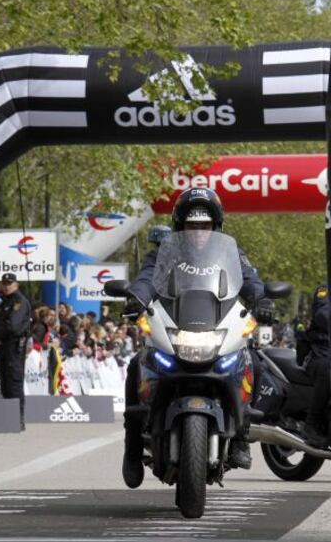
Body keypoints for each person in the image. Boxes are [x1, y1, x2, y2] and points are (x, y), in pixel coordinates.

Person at [121, 187, 274, 488]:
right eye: (193, 225)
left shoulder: (232, 254)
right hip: (176, 327)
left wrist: (262, 299)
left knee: (252, 359)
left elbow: (250, 281)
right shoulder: (166, 253)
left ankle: (242, 434)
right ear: (181, 226)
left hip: (214, 328)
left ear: (214, 226)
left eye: (204, 226)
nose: (199, 232)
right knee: (137, 364)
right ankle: (132, 449)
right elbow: (146, 280)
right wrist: (135, 298)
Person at [0, 273, 31, 431]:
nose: (7, 285)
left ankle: (18, 419)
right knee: (4, 383)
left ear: (16, 284)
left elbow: (12, 326)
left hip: (14, 347)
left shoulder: (19, 302)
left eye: (10, 283)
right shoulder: (4, 302)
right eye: (4, 283)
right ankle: (8, 418)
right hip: (4, 346)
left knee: (14, 383)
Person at [297, 284, 331, 447]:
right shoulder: (324, 290)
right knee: (328, 368)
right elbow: (322, 315)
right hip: (318, 353)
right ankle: (311, 424)